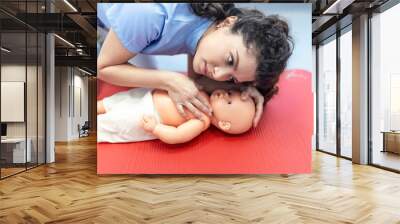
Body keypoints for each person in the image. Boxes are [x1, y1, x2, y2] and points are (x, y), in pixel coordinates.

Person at [97, 3, 292, 127]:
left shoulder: (213, 27)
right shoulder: (151, 15)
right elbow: (102, 68)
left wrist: (244, 89)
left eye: (231, 77)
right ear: (228, 23)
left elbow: (198, 80)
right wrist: (170, 80)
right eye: (230, 60)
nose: (217, 74)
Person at [97, 88, 255, 144]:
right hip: (144, 95)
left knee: (112, 122)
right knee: (109, 103)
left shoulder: (201, 121)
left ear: (224, 124)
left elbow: (177, 135)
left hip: (147, 115)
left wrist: (156, 128)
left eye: (227, 102)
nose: (223, 95)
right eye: (229, 93)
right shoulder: (206, 92)